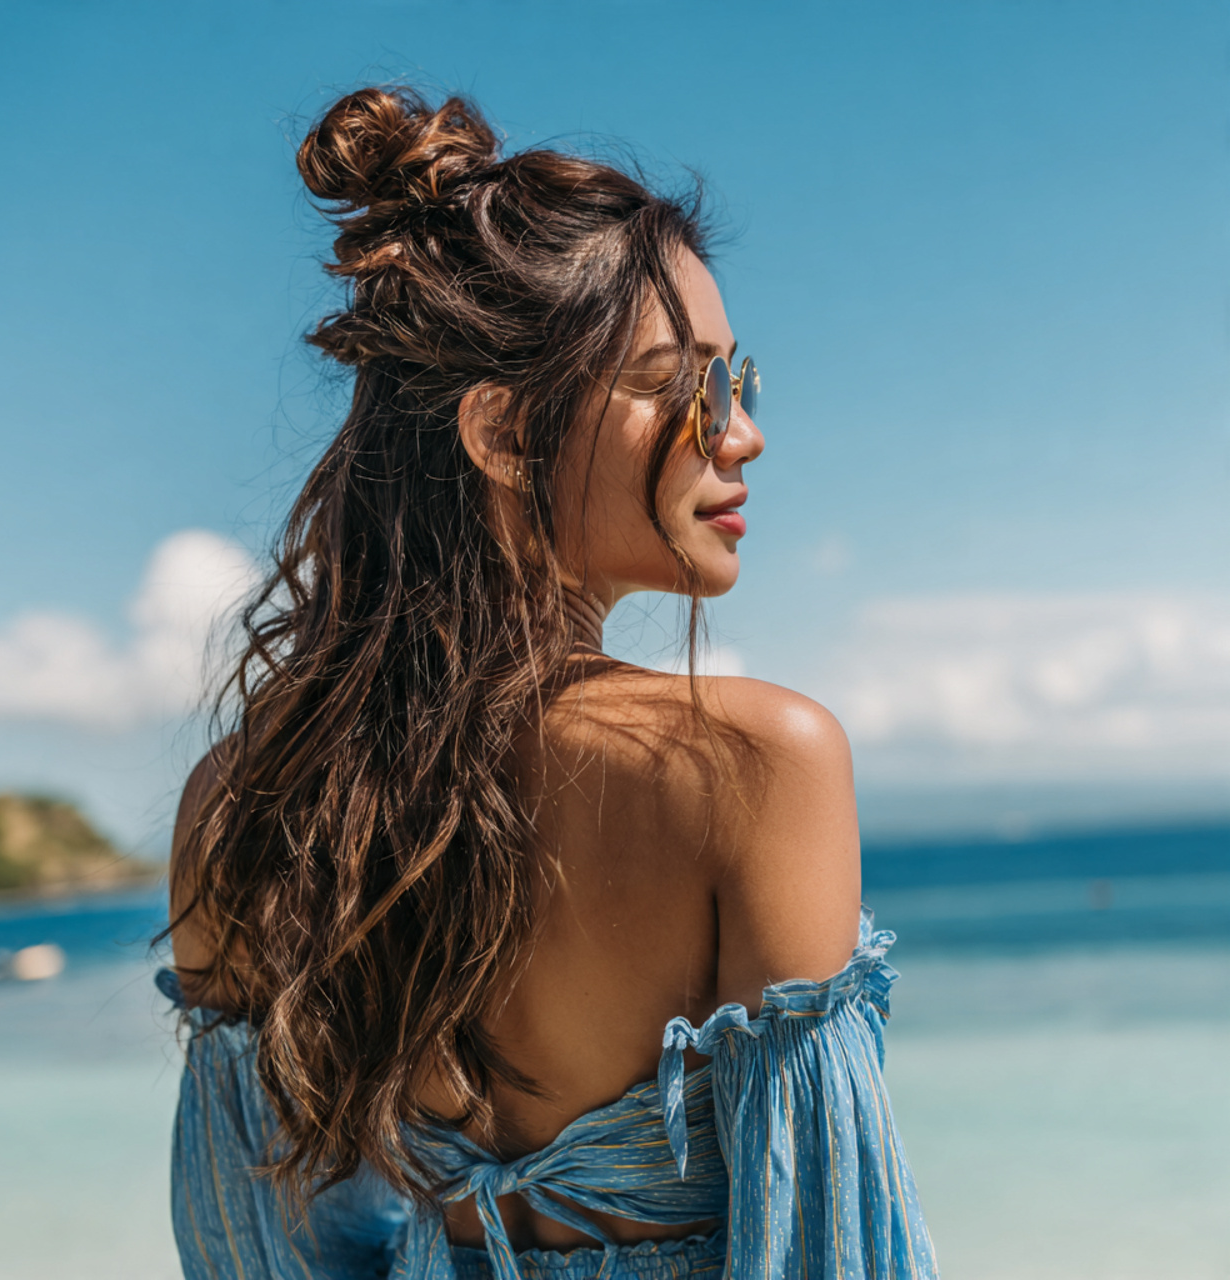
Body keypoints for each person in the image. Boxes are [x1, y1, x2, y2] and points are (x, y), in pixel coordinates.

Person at [161, 85, 938, 1280]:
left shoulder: (244, 803)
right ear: (504, 433)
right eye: (681, 382)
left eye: (738, 382)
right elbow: (826, 1249)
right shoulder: (753, 763)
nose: (738, 434)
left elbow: (253, 1246)